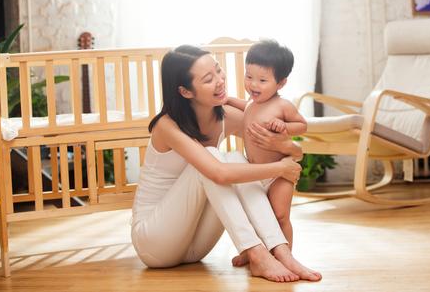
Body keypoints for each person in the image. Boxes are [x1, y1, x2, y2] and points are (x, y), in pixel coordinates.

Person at [131, 45, 321, 283]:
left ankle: (281, 251)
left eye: (219, 71)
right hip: (155, 243)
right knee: (214, 158)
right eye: (209, 79)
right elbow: (218, 173)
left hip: (195, 248)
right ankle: (257, 253)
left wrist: (290, 149)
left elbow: (281, 145)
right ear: (186, 91)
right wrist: (280, 168)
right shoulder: (166, 126)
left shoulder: (225, 116)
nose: (221, 81)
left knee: (234, 159)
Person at [227, 40, 307, 267]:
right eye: (249, 76)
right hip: (255, 172)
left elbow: (302, 125)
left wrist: (285, 128)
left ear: (281, 83)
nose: (253, 84)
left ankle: (286, 255)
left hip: (279, 173)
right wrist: (229, 99)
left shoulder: (283, 106)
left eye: (262, 80)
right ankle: (251, 251)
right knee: (254, 217)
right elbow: (247, 107)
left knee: (280, 216)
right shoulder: (253, 103)